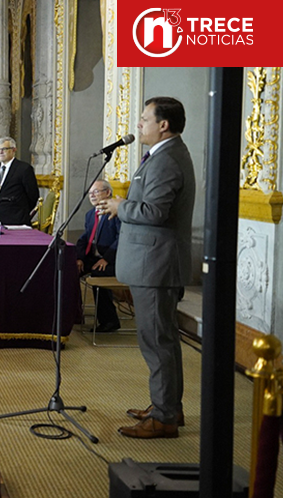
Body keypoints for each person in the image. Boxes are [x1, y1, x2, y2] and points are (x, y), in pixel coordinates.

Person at [98, 96, 195, 440]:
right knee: (158, 340)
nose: (139, 124)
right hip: (151, 263)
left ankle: (166, 416)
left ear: (163, 125)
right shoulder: (162, 155)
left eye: (144, 119)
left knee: (157, 341)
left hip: (157, 266)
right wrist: (121, 207)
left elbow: (155, 213)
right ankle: (166, 406)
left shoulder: (167, 160)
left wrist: (121, 206)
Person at [75, 180, 122, 332]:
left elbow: (122, 238)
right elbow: (84, 239)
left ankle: (110, 321)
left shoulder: (117, 213)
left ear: (108, 192)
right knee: (69, 268)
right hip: (94, 258)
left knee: (97, 273)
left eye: (96, 192)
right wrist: (80, 258)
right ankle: (75, 313)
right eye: (90, 193)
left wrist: (107, 258)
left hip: (114, 261)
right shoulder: (90, 214)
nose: (92, 196)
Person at [0, 137, 39, 226]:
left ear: (14, 150)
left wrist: (21, 212)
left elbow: (33, 195)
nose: (0, 152)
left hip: (17, 221)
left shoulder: (24, 169)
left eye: (4, 149)